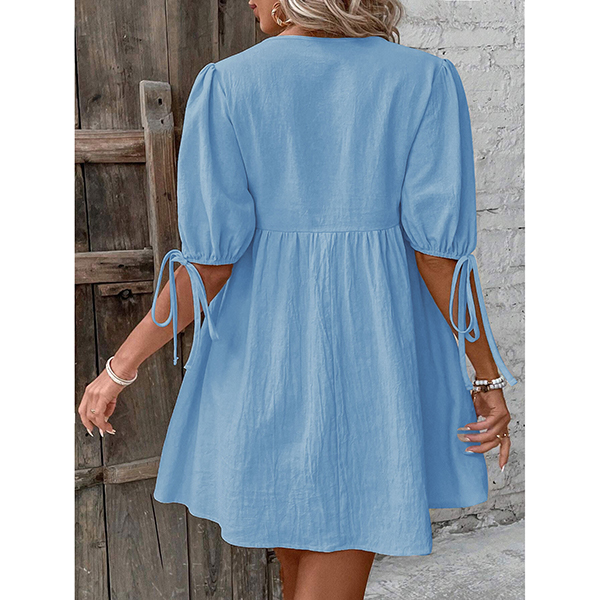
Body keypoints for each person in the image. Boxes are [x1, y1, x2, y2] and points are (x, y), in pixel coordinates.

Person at [77, 1, 517, 598]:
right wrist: (486, 376)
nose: (250, 2)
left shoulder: (228, 83)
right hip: (375, 347)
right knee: (333, 538)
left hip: (266, 348)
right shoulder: (425, 80)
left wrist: (119, 368)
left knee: (300, 549)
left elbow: (210, 262)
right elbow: (439, 256)